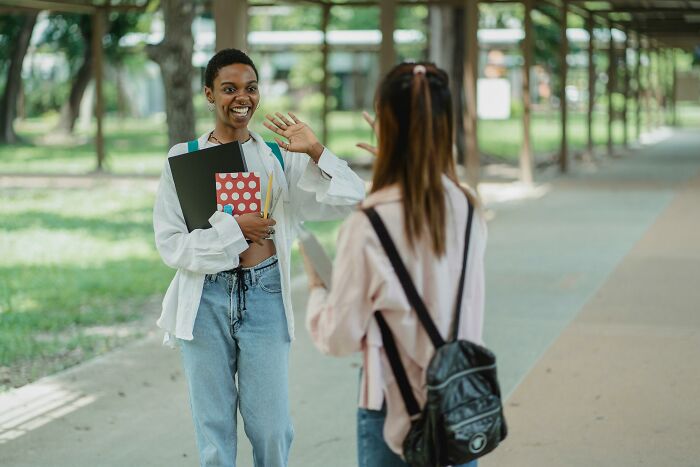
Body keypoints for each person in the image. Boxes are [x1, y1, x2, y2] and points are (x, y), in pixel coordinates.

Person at [152, 48, 366, 467]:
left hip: (265, 293)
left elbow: (351, 199)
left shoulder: (279, 156)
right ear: (209, 95)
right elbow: (172, 245)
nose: (241, 98)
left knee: (271, 426)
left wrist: (317, 151)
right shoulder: (183, 158)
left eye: (250, 88)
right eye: (228, 89)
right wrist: (236, 231)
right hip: (205, 300)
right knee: (213, 430)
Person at [303, 62, 487, 467]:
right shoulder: (468, 208)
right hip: (460, 400)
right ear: (444, 127)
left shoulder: (368, 224)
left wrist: (318, 289)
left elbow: (339, 338)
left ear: (385, 125)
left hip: (389, 405)